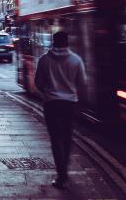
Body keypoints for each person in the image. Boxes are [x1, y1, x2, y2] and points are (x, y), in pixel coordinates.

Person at [34, 31, 87, 189]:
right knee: (66, 138)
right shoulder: (76, 60)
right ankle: (65, 171)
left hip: (51, 104)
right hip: (69, 104)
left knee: (55, 140)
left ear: (53, 42)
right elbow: (82, 82)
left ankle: (61, 175)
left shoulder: (44, 60)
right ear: (67, 42)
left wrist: (48, 93)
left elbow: (38, 82)